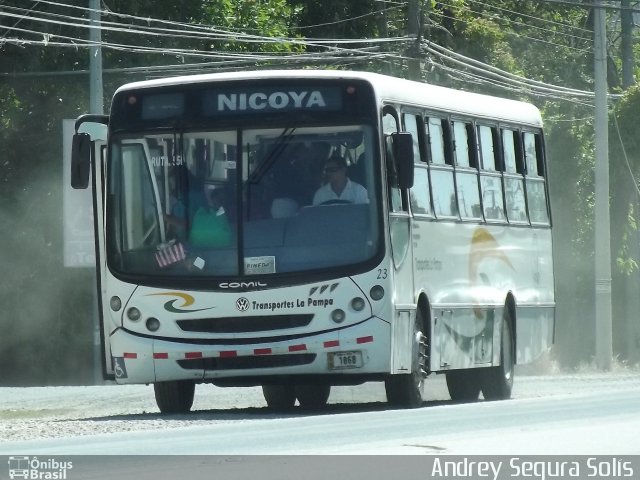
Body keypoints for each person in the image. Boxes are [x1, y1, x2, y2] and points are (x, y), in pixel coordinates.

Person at [188, 183, 232, 247]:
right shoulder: (201, 214)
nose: (220, 200)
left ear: (227, 200)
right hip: (198, 252)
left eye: (223, 198)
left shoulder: (232, 216)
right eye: (218, 198)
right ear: (213, 199)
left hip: (227, 253)